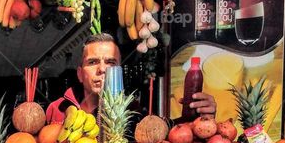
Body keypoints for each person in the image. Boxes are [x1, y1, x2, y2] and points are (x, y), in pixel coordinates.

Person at [45, 33, 216, 123]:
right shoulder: (57, 109)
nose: (102, 69)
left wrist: (197, 118)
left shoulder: (133, 112)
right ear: (80, 74)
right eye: (93, 62)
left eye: (111, 62)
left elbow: (163, 141)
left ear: (119, 72)